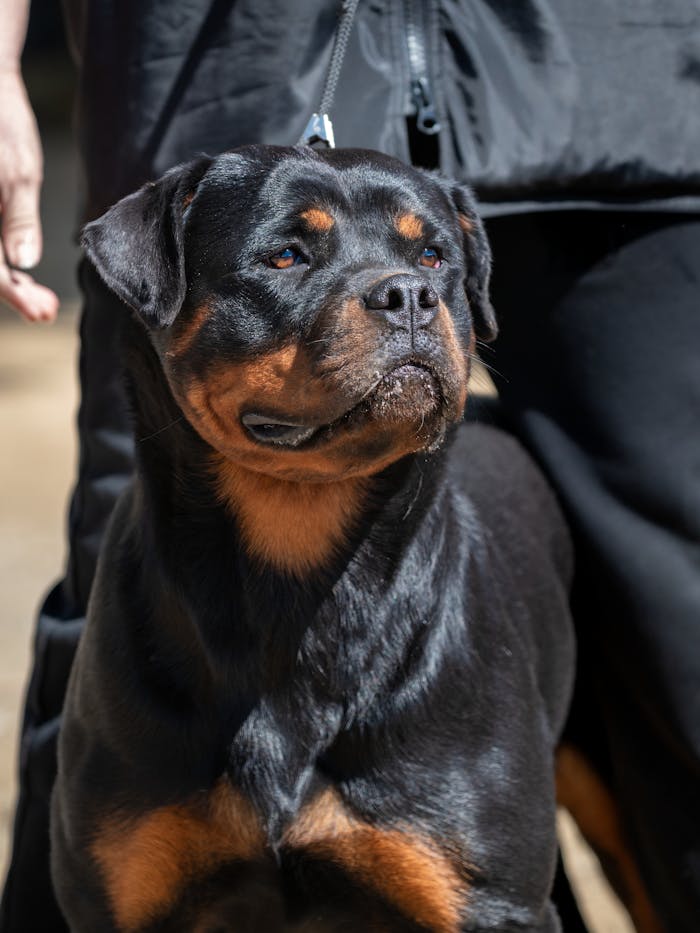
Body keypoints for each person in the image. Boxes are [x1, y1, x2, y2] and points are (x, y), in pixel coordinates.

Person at [2, 1, 699, 930]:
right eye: (291, 256)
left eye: (430, 273)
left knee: (676, 636)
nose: (402, 299)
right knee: (111, 595)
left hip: (611, 87)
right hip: (224, 55)